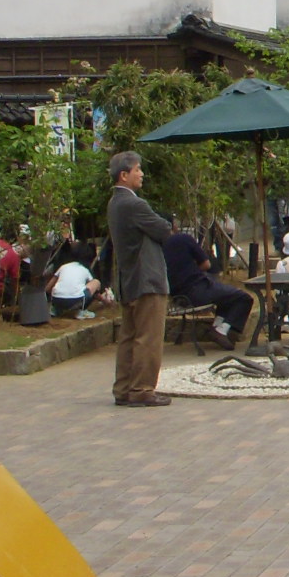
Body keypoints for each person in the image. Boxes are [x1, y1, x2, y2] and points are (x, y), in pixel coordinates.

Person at [107, 151, 173, 407]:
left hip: (129, 279)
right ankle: (142, 388)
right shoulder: (134, 204)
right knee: (148, 336)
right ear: (124, 175)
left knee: (129, 336)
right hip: (147, 279)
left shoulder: (114, 203)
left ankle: (123, 387)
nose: (141, 173)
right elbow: (164, 229)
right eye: (137, 169)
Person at [163, 224, 252, 345]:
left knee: (226, 296)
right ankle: (221, 330)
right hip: (198, 289)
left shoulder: (155, 246)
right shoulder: (183, 239)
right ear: (172, 226)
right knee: (244, 298)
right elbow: (206, 265)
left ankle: (216, 326)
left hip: (177, 298)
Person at [48, 241, 108, 320]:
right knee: (96, 282)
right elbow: (94, 292)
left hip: (56, 301)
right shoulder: (84, 270)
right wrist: (103, 299)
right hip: (75, 301)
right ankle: (80, 311)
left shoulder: (63, 267)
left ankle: (55, 310)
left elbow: (48, 287)